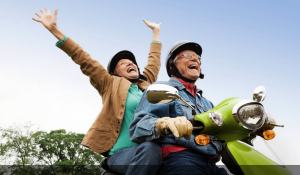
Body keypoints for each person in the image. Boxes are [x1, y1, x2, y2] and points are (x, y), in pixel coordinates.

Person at [33, 8, 162, 175]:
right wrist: (54, 30)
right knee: (150, 149)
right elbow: (83, 58)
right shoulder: (109, 83)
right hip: (122, 154)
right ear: (115, 72)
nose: (131, 64)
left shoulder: (146, 86)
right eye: (123, 63)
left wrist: (156, 33)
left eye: (132, 62)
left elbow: (154, 62)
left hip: (150, 152)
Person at [129, 41, 228, 175]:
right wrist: (163, 123)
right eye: (186, 55)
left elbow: (225, 131)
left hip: (211, 163)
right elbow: (137, 129)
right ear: (172, 66)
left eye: (197, 57)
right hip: (180, 158)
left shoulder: (207, 104)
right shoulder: (163, 89)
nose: (194, 59)